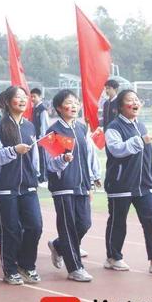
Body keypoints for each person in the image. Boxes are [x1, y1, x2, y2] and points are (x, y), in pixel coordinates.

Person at [103, 89, 152, 273]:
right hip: (122, 184)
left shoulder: (141, 126)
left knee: (151, 219)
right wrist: (139, 141)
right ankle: (113, 257)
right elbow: (117, 150)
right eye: (130, 100)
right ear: (120, 106)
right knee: (118, 220)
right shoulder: (113, 128)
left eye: (137, 99)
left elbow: (147, 154)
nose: (135, 103)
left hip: (145, 184)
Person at [0, 86, 42, 285]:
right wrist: (13, 150)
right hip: (5, 187)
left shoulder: (30, 127)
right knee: (11, 229)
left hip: (28, 186)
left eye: (24, 97)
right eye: (17, 97)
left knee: (35, 226)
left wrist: (36, 176)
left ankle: (27, 265)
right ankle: (10, 269)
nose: (22, 100)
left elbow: (34, 156)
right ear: (8, 101)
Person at [45, 90, 101, 282]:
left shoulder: (81, 129)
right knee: (68, 227)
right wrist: (63, 159)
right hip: (63, 185)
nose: (75, 106)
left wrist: (92, 179)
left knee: (84, 223)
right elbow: (50, 163)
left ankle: (59, 246)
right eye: (69, 103)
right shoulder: (52, 132)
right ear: (59, 108)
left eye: (76, 102)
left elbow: (90, 155)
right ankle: (75, 268)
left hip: (82, 184)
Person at [30, 88, 49, 183]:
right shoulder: (34, 108)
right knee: (37, 157)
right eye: (31, 96)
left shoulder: (42, 109)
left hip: (41, 139)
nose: (32, 98)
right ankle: (39, 175)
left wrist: (42, 138)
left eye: (35, 96)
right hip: (35, 138)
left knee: (42, 157)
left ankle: (44, 177)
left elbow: (44, 125)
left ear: (40, 97)